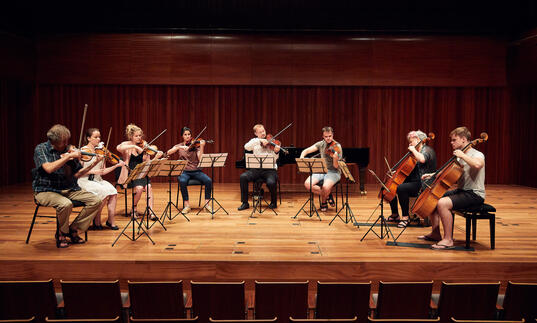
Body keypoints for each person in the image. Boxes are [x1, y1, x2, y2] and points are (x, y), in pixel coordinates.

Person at [32, 124, 102, 248]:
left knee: (96, 200)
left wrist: (93, 164)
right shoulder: (41, 149)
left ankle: (73, 228)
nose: (67, 144)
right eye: (64, 141)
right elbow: (48, 168)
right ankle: (61, 233)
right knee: (65, 204)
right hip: (46, 190)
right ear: (54, 141)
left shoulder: (68, 150)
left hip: (68, 188)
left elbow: (77, 175)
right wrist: (68, 157)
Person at [420, 126, 485, 249]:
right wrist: (433, 174)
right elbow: (447, 171)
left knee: (442, 203)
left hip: (475, 194)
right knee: (433, 198)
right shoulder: (460, 156)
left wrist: (463, 155)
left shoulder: (477, 154)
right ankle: (435, 233)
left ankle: (448, 239)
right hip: (462, 191)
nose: (451, 142)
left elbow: (477, 165)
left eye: (454, 140)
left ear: (464, 139)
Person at [78, 128, 127, 230]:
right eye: (95, 137)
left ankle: (111, 221)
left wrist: (116, 166)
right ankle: (97, 221)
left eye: (99, 137)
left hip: (97, 180)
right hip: (84, 180)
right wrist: (92, 171)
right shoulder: (82, 151)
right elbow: (78, 172)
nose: (98, 139)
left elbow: (103, 171)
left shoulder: (101, 152)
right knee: (104, 192)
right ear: (88, 138)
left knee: (113, 192)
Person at [387, 130, 436, 228]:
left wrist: (413, 150)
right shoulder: (417, 152)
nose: (409, 144)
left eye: (411, 141)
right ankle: (395, 214)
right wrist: (396, 174)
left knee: (401, 188)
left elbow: (422, 159)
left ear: (418, 140)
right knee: (390, 185)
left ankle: (405, 218)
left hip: (424, 183)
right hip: (415, 180)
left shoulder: (427, 150)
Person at [116, 124, 164, 219]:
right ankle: (133, 208)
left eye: (140, 135)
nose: (139, 138)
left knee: (149, 187)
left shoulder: (144, 145)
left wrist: (156, 157)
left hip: (141, 172)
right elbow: (118, 148)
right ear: (131, 136)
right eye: (136, 136)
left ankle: (151, 211)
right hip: (130, 173)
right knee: (138, 188)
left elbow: (148, 163)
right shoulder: (127, 144)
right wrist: (135, 147)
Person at [166, 127, 213, 214]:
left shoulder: (196, 146)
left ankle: (207, 205)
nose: (187, 136)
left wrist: (202, 147)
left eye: (189, 134)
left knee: (208, 180)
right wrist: (179, 147)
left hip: (196, 171)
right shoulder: (179, 146)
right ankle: (187, 205)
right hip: (184, 171)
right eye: (185, 134)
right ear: (182, 136)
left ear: (191, 136)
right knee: (182, 181)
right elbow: (168, 152)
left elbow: (200, 158)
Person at [299, 126, 342, 212]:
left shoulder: (337, 146)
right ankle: (328, 194)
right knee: (307, 184)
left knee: (326, 187)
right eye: (326, 137)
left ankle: (323, 202)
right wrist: (302, 156)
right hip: (321, 169)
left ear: (332, 135)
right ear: (323, 136)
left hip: (333, 171)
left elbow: (336, 166)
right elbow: (306, 151)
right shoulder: (321, 144)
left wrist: (335, 159)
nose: (328, 138)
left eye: (330, 136)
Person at [238, 124, 280, 210]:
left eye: (263, 131)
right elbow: (246, 147)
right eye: (260, 132)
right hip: (256, 169)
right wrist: (259, 140)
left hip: (269, 170)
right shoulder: (254, 141)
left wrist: (276, 152)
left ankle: (273, 202)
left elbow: (275, 159)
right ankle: (245, 203)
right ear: (256, 133)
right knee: (243, 177)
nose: (263, 133)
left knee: (271, 182)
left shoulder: (271, 142)